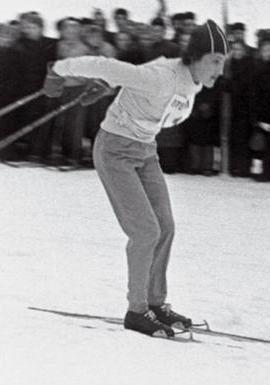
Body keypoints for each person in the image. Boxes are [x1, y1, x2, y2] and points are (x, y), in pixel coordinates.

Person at [42, 19, 229, 338]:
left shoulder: (191, 80)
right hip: (115, 151)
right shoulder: (162, 78)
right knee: (145, 231)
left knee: (165, 227)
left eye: (222, 62)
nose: (219, 70)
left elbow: (139, 79)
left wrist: (110, 88)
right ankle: (137, 311)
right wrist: (58, 70)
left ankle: (156, 303)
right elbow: (105, 65)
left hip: (144, 150)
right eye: (215, 61)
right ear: (196, 56)